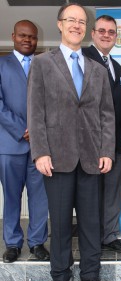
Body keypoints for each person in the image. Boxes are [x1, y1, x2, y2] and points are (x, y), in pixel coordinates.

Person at [27, 3, 115, 281]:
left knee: (92, 223)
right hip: (57, 158)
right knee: (61, 224)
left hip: (92, 158)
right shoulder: (42, 63)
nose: (77, 25)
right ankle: (60, 278)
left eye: (81, 21)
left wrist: (107, 150)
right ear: (60, 24)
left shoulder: (97, 69)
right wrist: (40, 152)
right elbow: (35, 112)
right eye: (71, 20)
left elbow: (106, 114)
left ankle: (91, 276)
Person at [0, 20, 49, 264]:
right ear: (13, 36)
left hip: (41, 147)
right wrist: (23, 129)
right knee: (11, 196)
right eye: (23, 36)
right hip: (10, 145)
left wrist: (39, 130)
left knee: (39, 196)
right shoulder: (1, 64)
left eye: (32, 37)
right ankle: (12, 243)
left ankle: (38, 242)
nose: (27, 40)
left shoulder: (44, 64)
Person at [82, 15, 121, 253]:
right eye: (102, 30)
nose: (106, 35)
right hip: (89, 141)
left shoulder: (118, 67)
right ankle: (91, 239)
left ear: (116, 37)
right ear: (93, 33)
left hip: (115, 143)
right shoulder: (81, 59)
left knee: (112, 192)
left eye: (111, 32)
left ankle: (109, 236)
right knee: (90, 194)